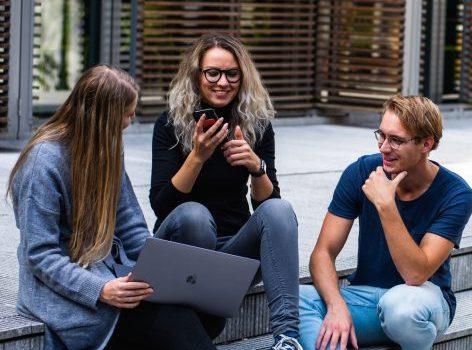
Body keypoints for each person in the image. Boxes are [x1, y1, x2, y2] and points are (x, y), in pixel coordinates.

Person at [8, 66, 221, 350]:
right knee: (174, 323)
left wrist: (152, 271)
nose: (131, 120)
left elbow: (129, 224)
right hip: (68, 292)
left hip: (112, 273)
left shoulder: (107, 147)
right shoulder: (43, 163)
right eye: (127, 113)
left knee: (198, 313)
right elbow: (41, 255)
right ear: (102, 117)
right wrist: (101, 290)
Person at [149, 32, 301, 349]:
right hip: (182, 246)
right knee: (195, 215)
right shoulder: (170, 124)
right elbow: (162, 205)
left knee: (281, 210)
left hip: (232, 251)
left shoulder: (255, 124)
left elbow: (268, 209)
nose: (223, 82)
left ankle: (287, 338)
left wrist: (255, 166)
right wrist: (198, 156)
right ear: (197, 76)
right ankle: (195, 325)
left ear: (242, 77)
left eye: (232, 74)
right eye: (213, 73)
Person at [298, 95, 472, 350]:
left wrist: (386, 205)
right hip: (367, 297)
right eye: (381, 135)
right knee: (294, 299)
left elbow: (416, 274)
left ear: (426, 144)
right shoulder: (362, 171)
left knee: (401, 308)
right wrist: (337, 307)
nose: (383, 147)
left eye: (396, 140)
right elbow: (323, 253)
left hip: (421, 300)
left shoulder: (456, 194)